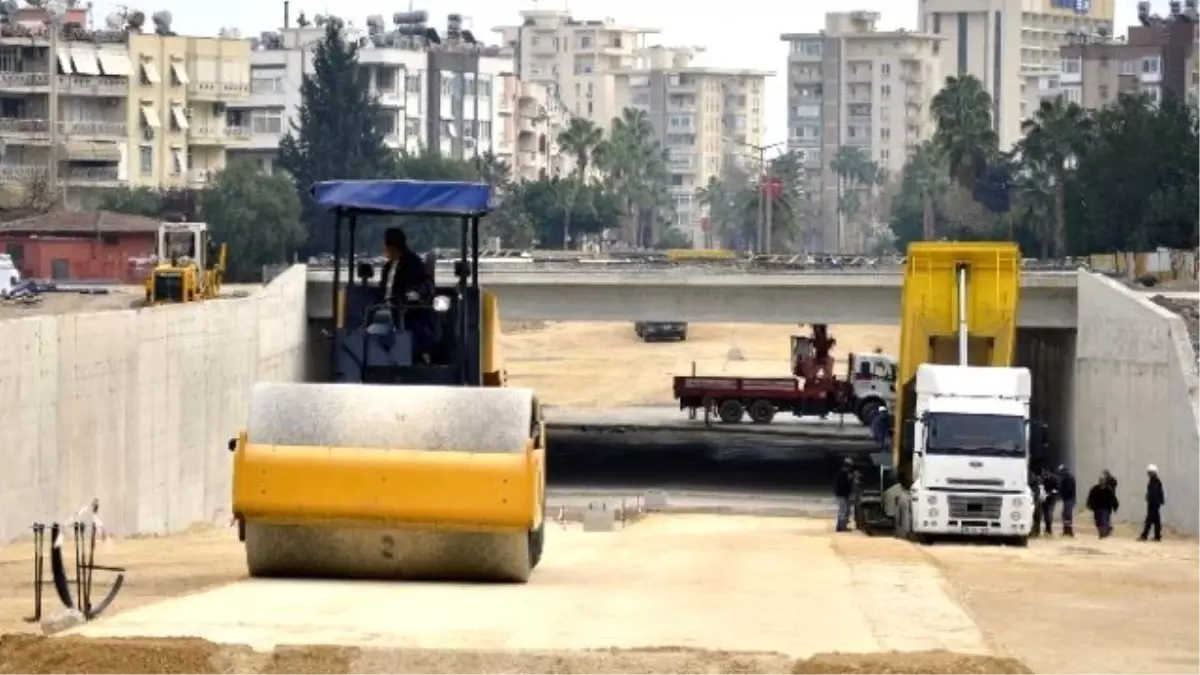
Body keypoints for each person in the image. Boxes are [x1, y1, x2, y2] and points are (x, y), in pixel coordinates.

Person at [378, 228, 437, 357]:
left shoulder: (413, 263)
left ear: (392, 246)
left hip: (406, 313)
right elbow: (382, 290)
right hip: (385, 311)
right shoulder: (387, 267)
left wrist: (412, 295)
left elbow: (423, 285)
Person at [1086, 474, 1119, 538]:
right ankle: (1106, 530)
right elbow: (1090, 497)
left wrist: (1115, 507)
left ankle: (1103, 533)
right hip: (1097, 508)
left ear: (1105, 481)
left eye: (1103, 480)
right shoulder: (1095, 489)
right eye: (1100, 480)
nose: (1101, 482)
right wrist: (1089, 504)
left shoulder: (1108, 490)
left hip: (1105, 508)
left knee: (1104, 520)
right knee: (1098, 522)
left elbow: (1113, 499)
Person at [1140, 464, 1165, 542]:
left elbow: (1153, 492)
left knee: (1149, 520)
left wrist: (1150, 499)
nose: (1148, 474)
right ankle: (1157, 536)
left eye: (1149, 472)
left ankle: (1144, 536)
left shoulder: (1154, 481)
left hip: (1153, 503)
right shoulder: (1155, 480)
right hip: (1155, 503)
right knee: (1156, 520)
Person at [834, 457, 856, 532]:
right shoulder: (844, 472)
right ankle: (842, 527)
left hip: (842, 494)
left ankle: (841, 526)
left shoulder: (844, 472)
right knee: (843, 510)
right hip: (842, 494)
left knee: (844, 510)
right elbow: (845, 484)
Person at [1057, 464, 1077, 537]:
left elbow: (1068, 489)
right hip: (1068, 499)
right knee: (1065, 515)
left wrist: (1061, 492)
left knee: (1067, 515)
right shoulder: (1067, 477)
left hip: (1069, 499)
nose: (1060, 473)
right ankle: (1066, 531)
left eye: (1060, 472)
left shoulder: (1068, 478)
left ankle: (1069, 531)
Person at [1040, 466, 1060, 536]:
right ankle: (1047, 528)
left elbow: (1057, 489)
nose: (1042, 473)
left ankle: (1049, 528)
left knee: (1049, 512)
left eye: (1043, 471)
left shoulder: (1054, 479)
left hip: (1052, 497)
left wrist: (1049, 493)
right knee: (1046, 513)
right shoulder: (1042, 478)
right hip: (1045, 497)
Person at [1029, 469, 1045, 537]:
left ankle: (1036, 532)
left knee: (1036, 517)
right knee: (1035, 518)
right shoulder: (1032, 485)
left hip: (1036, 503)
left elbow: (1040, 496)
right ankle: (1034, 532)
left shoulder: (1038, 486)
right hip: (1034, 502)